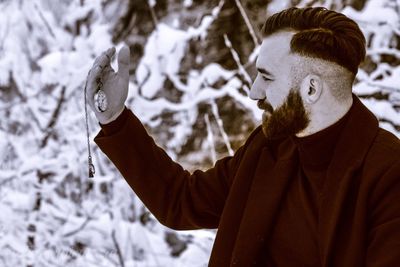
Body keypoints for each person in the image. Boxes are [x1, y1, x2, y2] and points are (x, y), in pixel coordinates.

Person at [86, 7, 400, 267]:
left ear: (312, 88)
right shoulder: (268, 148)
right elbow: (180, 201)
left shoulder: (389, 175)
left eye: (266, 77)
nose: (253, 92)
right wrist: (115, 119)